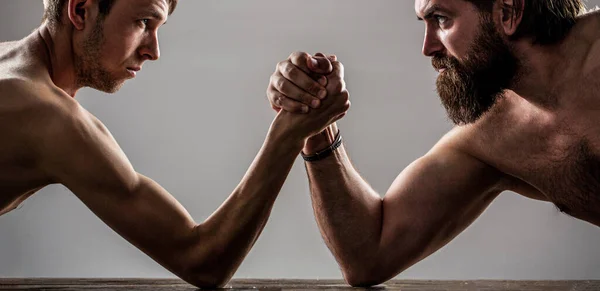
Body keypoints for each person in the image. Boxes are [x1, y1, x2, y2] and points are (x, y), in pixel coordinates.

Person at [0, 0, 349, 288]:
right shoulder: (48, 117)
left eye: (158, 28)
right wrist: (287, 134)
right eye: (142, 22)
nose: (154, 50)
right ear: (80, 11)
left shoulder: (12, 70)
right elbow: (203, 261)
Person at [266, 0, 600, 287]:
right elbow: (370, 254)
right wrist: (315, 122)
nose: (428, 47)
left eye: (441, 18)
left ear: (508, 11)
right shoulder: (491, 137)